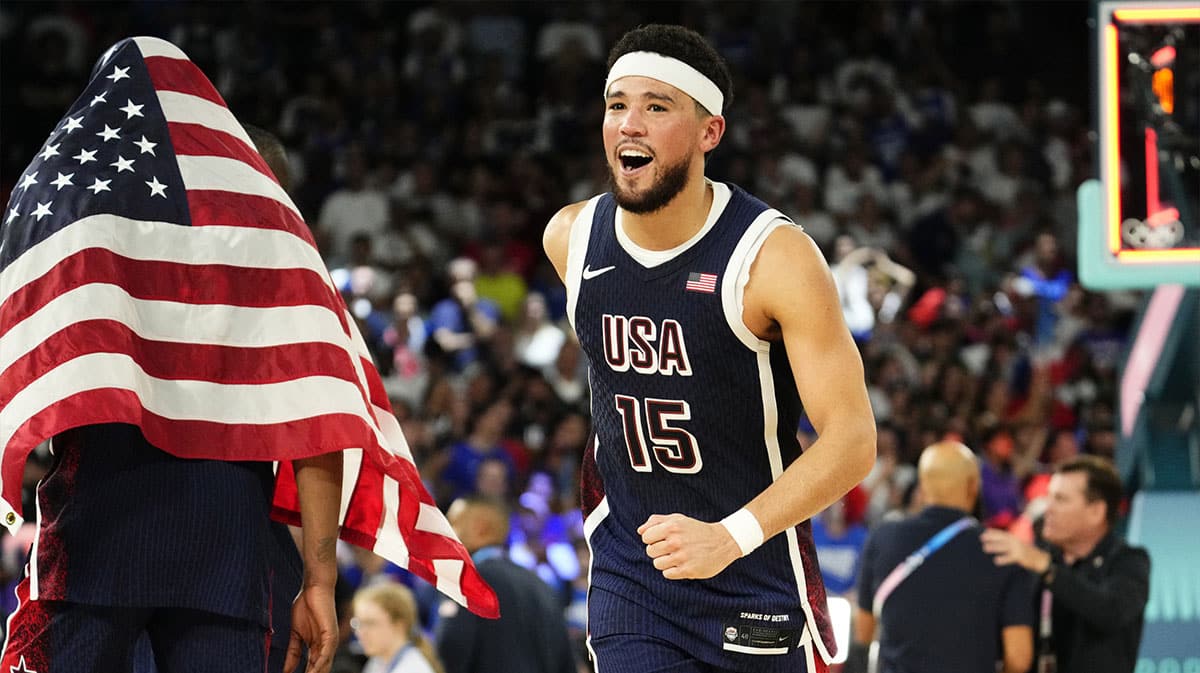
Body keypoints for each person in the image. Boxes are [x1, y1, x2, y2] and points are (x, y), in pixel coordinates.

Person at [542, 24, 876, 672]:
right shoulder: (572, 237)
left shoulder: (773, 257)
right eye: (617, 104)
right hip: (632, 574)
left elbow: (853, 439)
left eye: (656, 106)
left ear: (709, 132)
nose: (629, 124)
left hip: (752, 568)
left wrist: (732, 535)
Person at [854, 441, 1034, 673]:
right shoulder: (1002, 550)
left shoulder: (883, 537)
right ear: (973, 486)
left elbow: (864, 632)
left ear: (923, 487)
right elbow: (1019, 658)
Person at [982, 455, 1150, 673]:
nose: (1047, 508)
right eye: (1049, 497)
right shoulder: (1039, 559)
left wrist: (1047, 569)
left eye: (1060, 499)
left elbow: (1110, 611)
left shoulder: (1128, 560)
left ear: (1096, 511)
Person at [434, 496, 574, 673]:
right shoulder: (542, 586)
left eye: (454, 523)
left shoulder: (466, 580)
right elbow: (566, 661)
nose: (447, 532)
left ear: (480, 528)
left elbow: (450, 648)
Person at [352, 582, 444, 673]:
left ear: (399, 625)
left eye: (370, 623)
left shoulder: (413, 668)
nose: (360, 632)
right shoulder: (377, 662)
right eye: (358, 623)